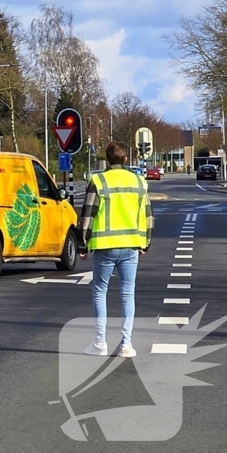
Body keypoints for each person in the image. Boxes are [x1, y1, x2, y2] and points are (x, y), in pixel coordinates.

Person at [78, 141, 152, 358]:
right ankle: (126, 345)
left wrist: (82, 244)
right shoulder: (139, 181)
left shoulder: (98, 180)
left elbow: (88, 214)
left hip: (105, 246)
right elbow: (148, 215)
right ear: (126, 159)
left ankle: (100, 342)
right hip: (131, 245)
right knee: (128, 294)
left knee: (100, 292)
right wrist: (145, 242)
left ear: (107, 160)